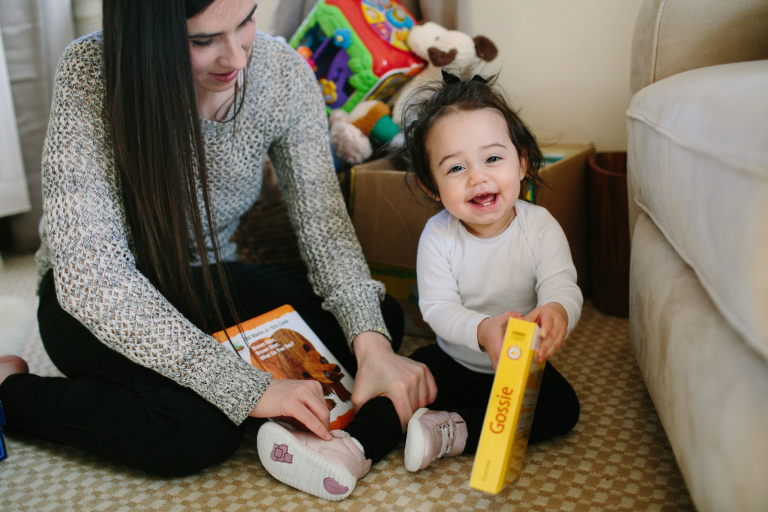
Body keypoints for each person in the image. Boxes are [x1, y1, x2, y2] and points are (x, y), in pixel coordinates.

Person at [0, 0, 437, 478]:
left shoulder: (283, 75)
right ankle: (10, 391)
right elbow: (92, 280)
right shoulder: (91, 71)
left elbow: (325, 231)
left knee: (374, 322)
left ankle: (198, 367)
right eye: (202, 40)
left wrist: (372, 347)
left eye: (246, 20)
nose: (237, 57)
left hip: (202, 280)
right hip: (91, 300)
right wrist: (245, 387)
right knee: (196, 429)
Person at [256, 72, 582, 500]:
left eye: (493, 159)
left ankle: (450, 432)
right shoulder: (440, 235)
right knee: (400, 389)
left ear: (522, 162)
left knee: (562, 409)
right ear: (432, 186)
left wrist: (558, 311)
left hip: (519, 368)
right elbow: (438, 308)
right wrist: (482, 330)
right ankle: (349, 450)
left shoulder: (539, 226)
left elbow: (563, 285)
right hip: (453, 358)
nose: (478, 178)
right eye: (456, 167)